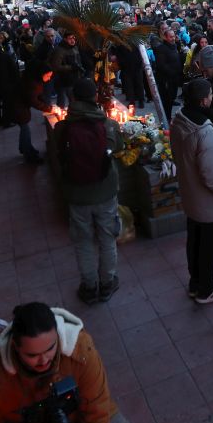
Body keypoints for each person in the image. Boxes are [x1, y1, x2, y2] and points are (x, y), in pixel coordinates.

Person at [0, 302, 137, 423]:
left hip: (81, 413)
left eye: (50, 348)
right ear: (16, 348)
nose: (44, 360)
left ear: (58, 336)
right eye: (32, 355)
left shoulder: (81, 352)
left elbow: (96, 410)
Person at [52, 79, 125, 304]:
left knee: (82, 240)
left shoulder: (62, 128)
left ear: (73, 98)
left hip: (77, 193)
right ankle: (107, 282)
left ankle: (89, 285)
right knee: (107, 237)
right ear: (95, 97)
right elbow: (119, 148)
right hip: (105, 191)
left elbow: (58, 154)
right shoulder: (108, 125)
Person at [170, 79, 213, 304]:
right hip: (206, 201)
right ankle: (206, 289)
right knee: (208, 244)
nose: (212, 98)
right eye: (210, 94)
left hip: (189, 193)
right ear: (203, 100)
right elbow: (209, 173)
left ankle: (195, 283)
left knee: (194, 240)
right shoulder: (204, 129)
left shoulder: (179, 119)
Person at [11, 62, 52, 163]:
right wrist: (48, 109)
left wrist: (47, 104)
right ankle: (29, 156)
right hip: (17, 107)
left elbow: (38, 95)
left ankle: (25, 148)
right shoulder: (32, 83)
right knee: (25, 129)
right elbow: (33, 100)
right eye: (48, 76)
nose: (49, 78)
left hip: (19, 105)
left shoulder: (35, 79)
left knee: (24, 128)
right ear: (41, 73)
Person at [152, 26, 184, 121]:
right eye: (171, 37)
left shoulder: (173, 46)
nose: (173, 38)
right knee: (166, 101)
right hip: (166, 80)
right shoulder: (161, 49)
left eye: (174, 36)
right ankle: (166, 120)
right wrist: (172, 72)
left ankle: (168, 118)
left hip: (173, 78)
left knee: (171, 99)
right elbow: (161, 65)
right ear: (165, 37)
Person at [48, 32, 84, 108]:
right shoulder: (60, 50)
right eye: (70, 38)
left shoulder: (75, 47)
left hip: (74, 77)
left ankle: (73, 114)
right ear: (65, 39)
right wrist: (71, 67)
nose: (73, 40)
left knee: (73, 99)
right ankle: (60, 116)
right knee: (62, 100)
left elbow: (78, 61)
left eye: (74, 38)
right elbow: (56, 66)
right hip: (63, 79)